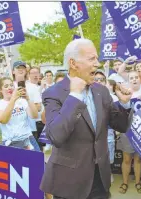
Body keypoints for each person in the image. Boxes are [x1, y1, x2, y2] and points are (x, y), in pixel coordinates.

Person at [40, 38, 133, 199]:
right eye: (92, 59)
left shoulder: (101, 91)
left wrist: (124, 104)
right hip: (69, 181)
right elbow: (56, 136)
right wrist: (75, 96)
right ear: (73, 63)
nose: (97, 64)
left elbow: (121, 126)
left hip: (100, 178)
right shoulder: (53, 93)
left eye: (96, 58)